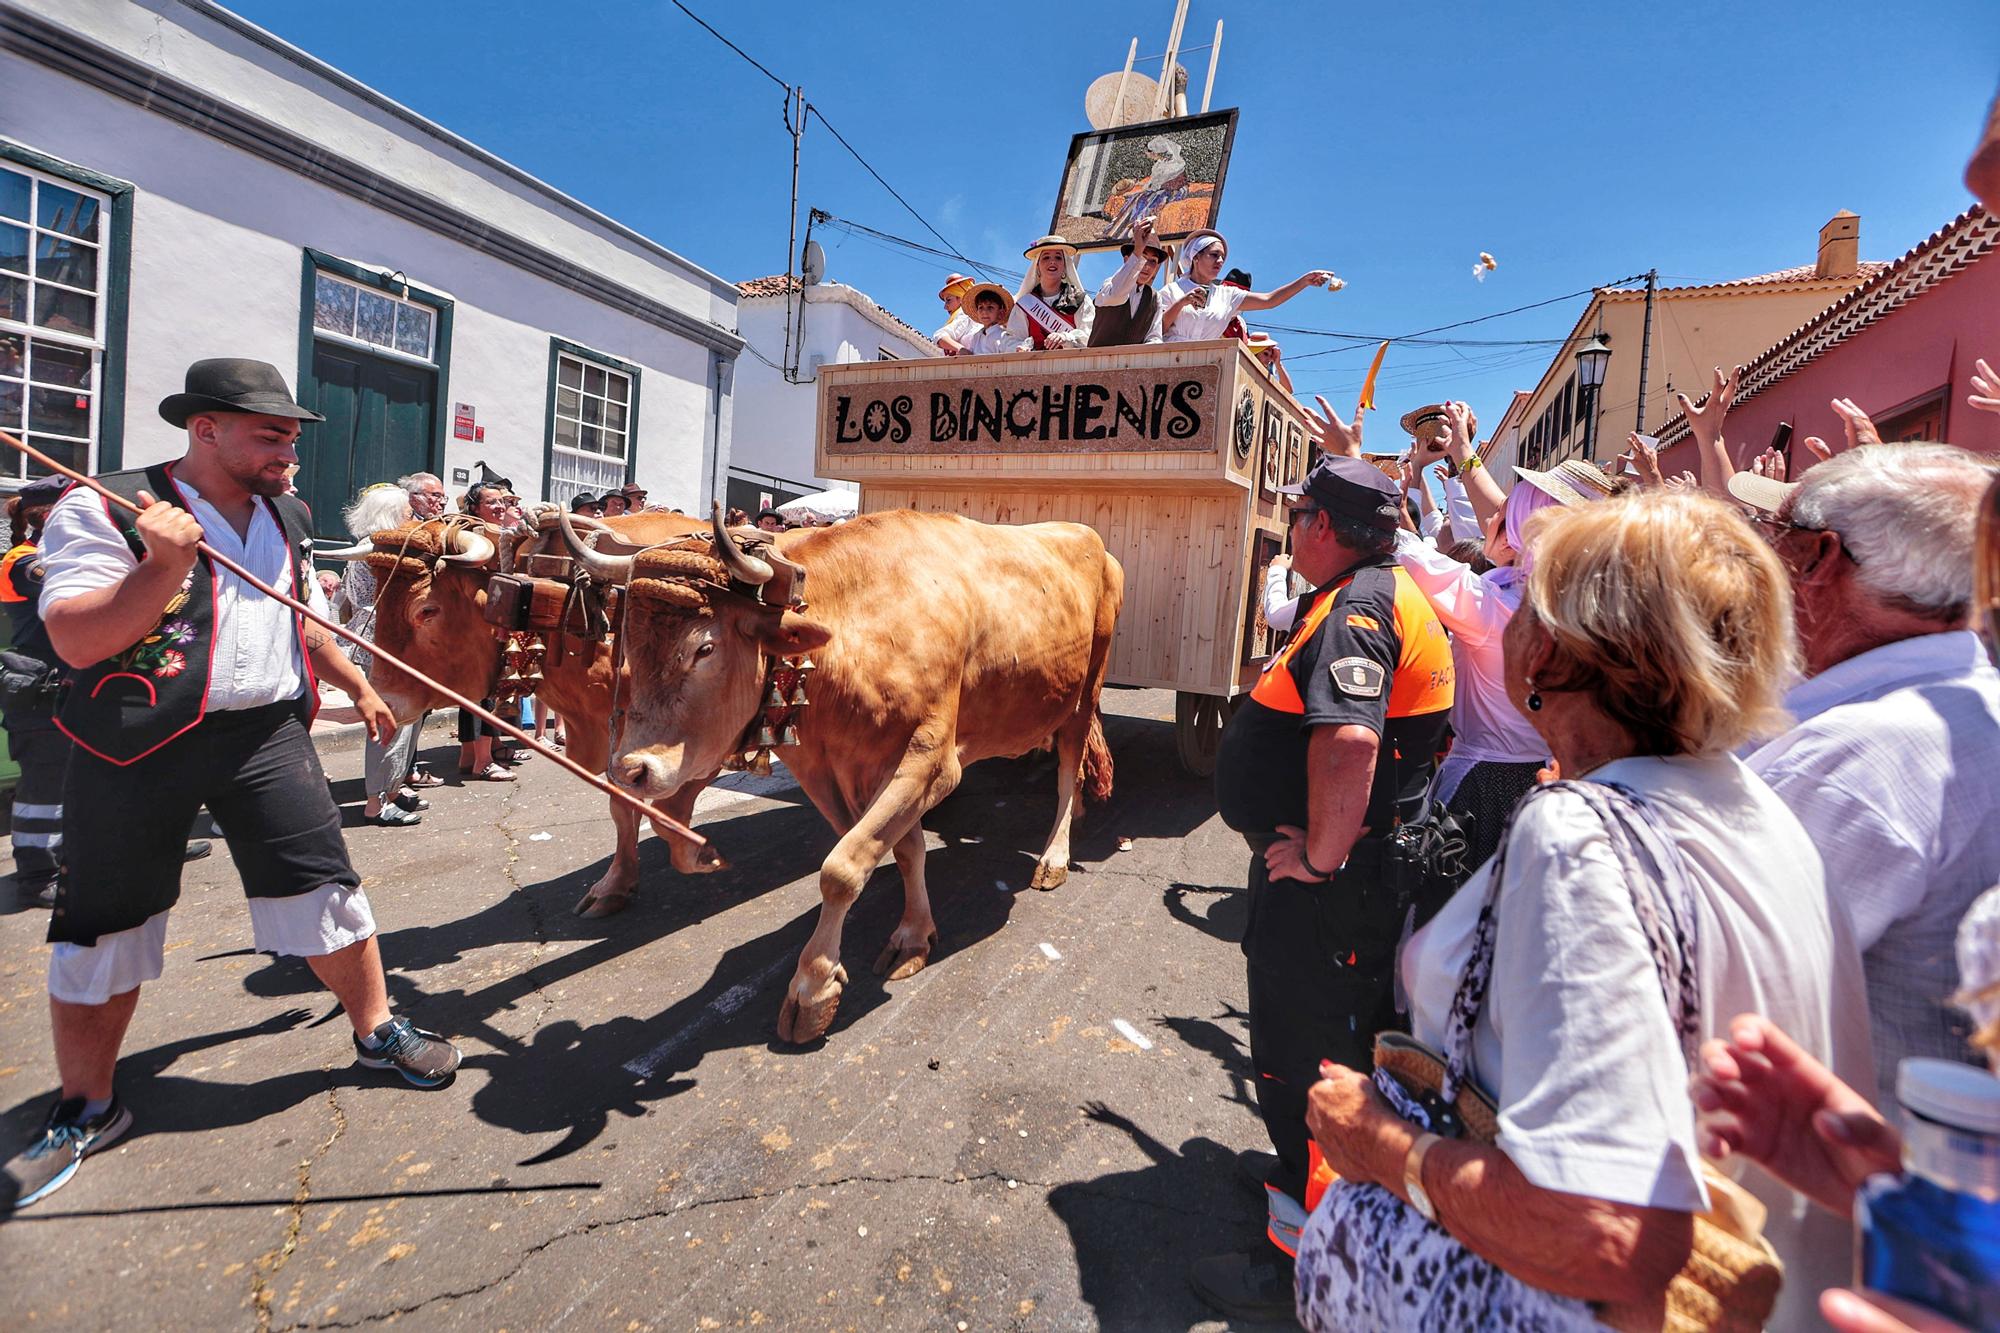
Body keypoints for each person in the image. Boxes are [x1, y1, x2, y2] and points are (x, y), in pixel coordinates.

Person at [1294, 488, 1871, 1332]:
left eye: (1530, 596)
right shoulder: (1766, 809)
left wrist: (1383, 1149)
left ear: (1559, 651)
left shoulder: (1577, 836)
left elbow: (1608, 1231)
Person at [1, 358, 461, 1214]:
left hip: (262, 735)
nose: (288, 446)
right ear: (204, 429)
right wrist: (160, 566)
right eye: (269, 432)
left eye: (291, 432)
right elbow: (73, 639)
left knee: (329, 889)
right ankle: (85, 1107)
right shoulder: (105, 506)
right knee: (106, 921)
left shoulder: (287, 511)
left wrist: (354, 683)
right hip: (136, 738)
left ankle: (375, 1030)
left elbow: (291, 611)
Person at [1195, 450, 1455, 1320]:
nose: (1294, 522)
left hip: (1329, 893)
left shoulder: (1362, 608)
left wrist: (1319, 856)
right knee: (1309, 1046)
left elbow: (1348, 743)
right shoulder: (1357, 595)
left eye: (1301, 511)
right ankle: (1295, 1197)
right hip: (1339, 882)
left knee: (1313, 1054)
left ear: (1324, 527)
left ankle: (1303, 1259)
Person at [1729, 443, 2000, 1104]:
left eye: (1774, 532)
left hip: (1844, 1181)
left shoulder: (1852, 760)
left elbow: (1719, 994)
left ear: (1815, 556)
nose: (1757, 552)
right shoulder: (1954, 710)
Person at [337, 481, 434, 827]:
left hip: (400, 646)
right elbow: (369, 604)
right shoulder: (376, 548)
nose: (414, 515)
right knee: (389, 719)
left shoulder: (396, 544)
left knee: (408, 719)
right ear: (392, 514)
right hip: (382, 647)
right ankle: (375, 803)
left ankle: (392, 790)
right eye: (408, 511)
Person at [1, 476, 74, 907]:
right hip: (41, 686)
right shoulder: (24, 561)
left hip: (69, 681)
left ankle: (69, 860)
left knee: (74, 780)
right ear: (48, 517)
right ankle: (36, 875)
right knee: (44, 788)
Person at [1161, 231, 1341, 343]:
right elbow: (1156, 329)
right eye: (1214, 255)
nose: (1220, 261)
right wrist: (1181, 303)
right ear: (1195, 257)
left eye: (1223, 257)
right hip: (1169, 362)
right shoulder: (1171, 291)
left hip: (1207, 367)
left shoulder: (1227, 295)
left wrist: (1304, 281)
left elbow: (1269, 300)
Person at [1088, 218, 1169, 348]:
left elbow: (1154, 336)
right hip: (1098, 365)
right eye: (1143, 257)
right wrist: (1137, 251)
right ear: (1127, 259)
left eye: (1153, 261)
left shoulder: (1154, 298)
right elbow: (1117, 295)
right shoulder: (1109, 284)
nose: (1147, 266)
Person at [1007, 235, 1095, 350]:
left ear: (1065, 266)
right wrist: (1021, 347)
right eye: (1046, 257)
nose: (1052, 261)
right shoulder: (1025, 304)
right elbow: (1012, 340)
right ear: (1037, 266)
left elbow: (1090, 337)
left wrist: (1066, 337)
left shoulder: (1080, 300)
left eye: (1058, 258)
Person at [958, 284, 1028, 356]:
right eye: (981, 307)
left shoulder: (1002, 336)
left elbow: (1013, 346)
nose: (984, 312)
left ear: (1000, 313)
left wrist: (1020, 348)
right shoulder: (976, 336)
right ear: (977, 311)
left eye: (990, 307)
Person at [932, 273, 977, 356]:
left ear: (961, 298)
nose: (945, 307)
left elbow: (939, 336)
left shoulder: (965, 315)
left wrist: (961, 349)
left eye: (948, 300)